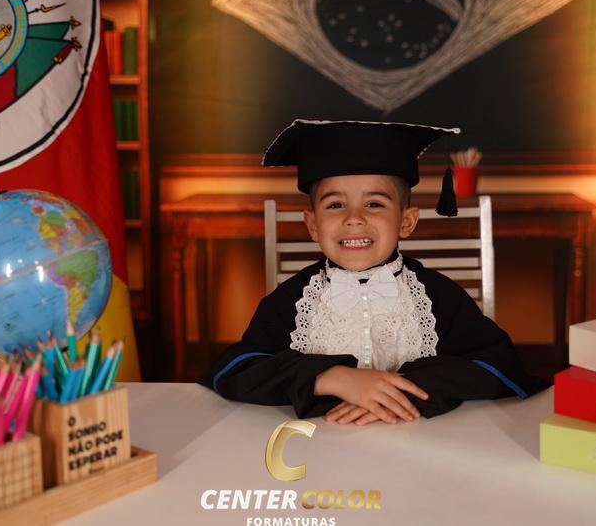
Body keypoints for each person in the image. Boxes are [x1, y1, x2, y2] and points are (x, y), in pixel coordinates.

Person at [199, 119, 548, 425]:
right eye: (335, 204)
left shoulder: (438, 297)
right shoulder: (291, 301)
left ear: (407, 221)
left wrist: (401, 390)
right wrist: (330, 377)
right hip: (318, 449)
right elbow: (236, 369)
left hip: (421, 447)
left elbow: (499, 366)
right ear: (313, 225)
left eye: (374, 203)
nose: (354, 218)